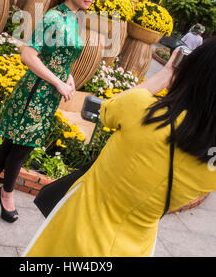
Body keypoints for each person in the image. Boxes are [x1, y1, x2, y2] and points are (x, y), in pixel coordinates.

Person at [23, 37, 216, 257]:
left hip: (76, 231)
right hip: (137, 247)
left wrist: (166, 75)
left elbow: (107, 110)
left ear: (194, 72)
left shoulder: (141, 108)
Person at [0, 0, 100, 222]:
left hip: (48, 93)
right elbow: (28, 55)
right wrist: (58, 82)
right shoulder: (54, 17)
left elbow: (61, 56)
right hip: (35, 92)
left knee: (14, 143)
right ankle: (6, 193)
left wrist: (69, 77)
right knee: (22, 148)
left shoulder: (73, 19)